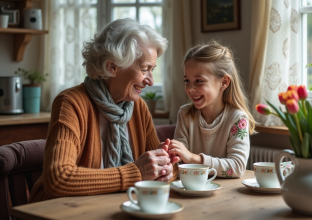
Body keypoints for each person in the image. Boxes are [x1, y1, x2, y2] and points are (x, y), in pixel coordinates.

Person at [29, 18, 179, 203]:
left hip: (113, 206)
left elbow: (153, 169)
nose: (150, 81)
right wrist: (136, 173)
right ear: (112, 67)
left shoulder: (138, 107)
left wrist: (165, 171)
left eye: (152, 70)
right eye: (144, 69)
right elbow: (59, 179)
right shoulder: (71, 103)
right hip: (62, 209)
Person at [168, 40, 256, 178]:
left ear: (224, 82)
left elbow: (237, 167)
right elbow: (179, 161)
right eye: (187, 81)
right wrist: (170, 153)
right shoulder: (184, 114)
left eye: (199, 81)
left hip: (226, 194)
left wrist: (193, 158)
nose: (190, 89)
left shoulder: (237, 118)